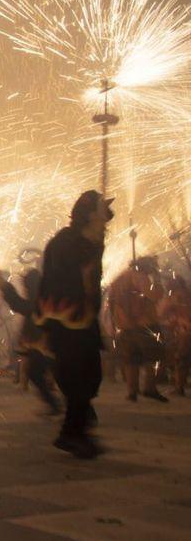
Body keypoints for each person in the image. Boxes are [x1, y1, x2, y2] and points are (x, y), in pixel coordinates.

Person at [34, 190, 112, 459]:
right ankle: (71, 433)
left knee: (91, 378)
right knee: (78, 380)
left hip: (84, 321)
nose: (106, 219)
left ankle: (77, 421)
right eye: (102, 211)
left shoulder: (91, 242)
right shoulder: (66, 242)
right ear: (89, 214)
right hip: (65, 323)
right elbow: (59, 277)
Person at [0, 268, 62, 414]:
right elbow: (21, 305)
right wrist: (6, 288)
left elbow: (22, 306)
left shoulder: (43, 298)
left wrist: (6, 289)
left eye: (26, 285)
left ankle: (74, 409)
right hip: (45, 345)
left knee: (56, 374)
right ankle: (56, 405)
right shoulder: (44, 295)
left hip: (49, 345)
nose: (25, 288)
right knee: (38, 372)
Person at [107, 256, 168, 403]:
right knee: (153, 357)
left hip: (125, 326)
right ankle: (150, 388)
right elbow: (154, 295)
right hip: (144, 325)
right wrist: (158, 282)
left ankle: (132, 392)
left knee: (131, 360)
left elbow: (111, 302)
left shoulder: (118, 279)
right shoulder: (141, 277)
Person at [159, 269, 191, 397]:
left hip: (185, 330)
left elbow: (161, 313)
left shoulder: (175, 296)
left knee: (181, 359)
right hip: (184, 329)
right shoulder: (187, 293)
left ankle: (179, 388)